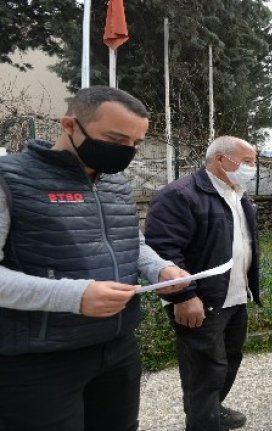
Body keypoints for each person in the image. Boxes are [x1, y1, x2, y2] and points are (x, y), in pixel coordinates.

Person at [0, 86, 190, 431]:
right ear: (69, 125)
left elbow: (131, 241)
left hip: (117, 348)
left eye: (135, 143)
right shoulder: (10, 179)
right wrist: (75, 296)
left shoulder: (115, 185)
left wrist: (159, 269)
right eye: (116, 139)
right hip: (37, 361)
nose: (126, 152)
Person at [145, 136, 261, 431]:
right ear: (220, 159)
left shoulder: (239, 194)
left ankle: (211, 410)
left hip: (235, 296)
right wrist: (184, 296)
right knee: (204, 370)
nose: (253, 168)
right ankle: (202, 422)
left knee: (229, 359)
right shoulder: (180, 195)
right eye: (247, 161)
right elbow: (163, 251)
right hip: (201, 299)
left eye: (254, 162)